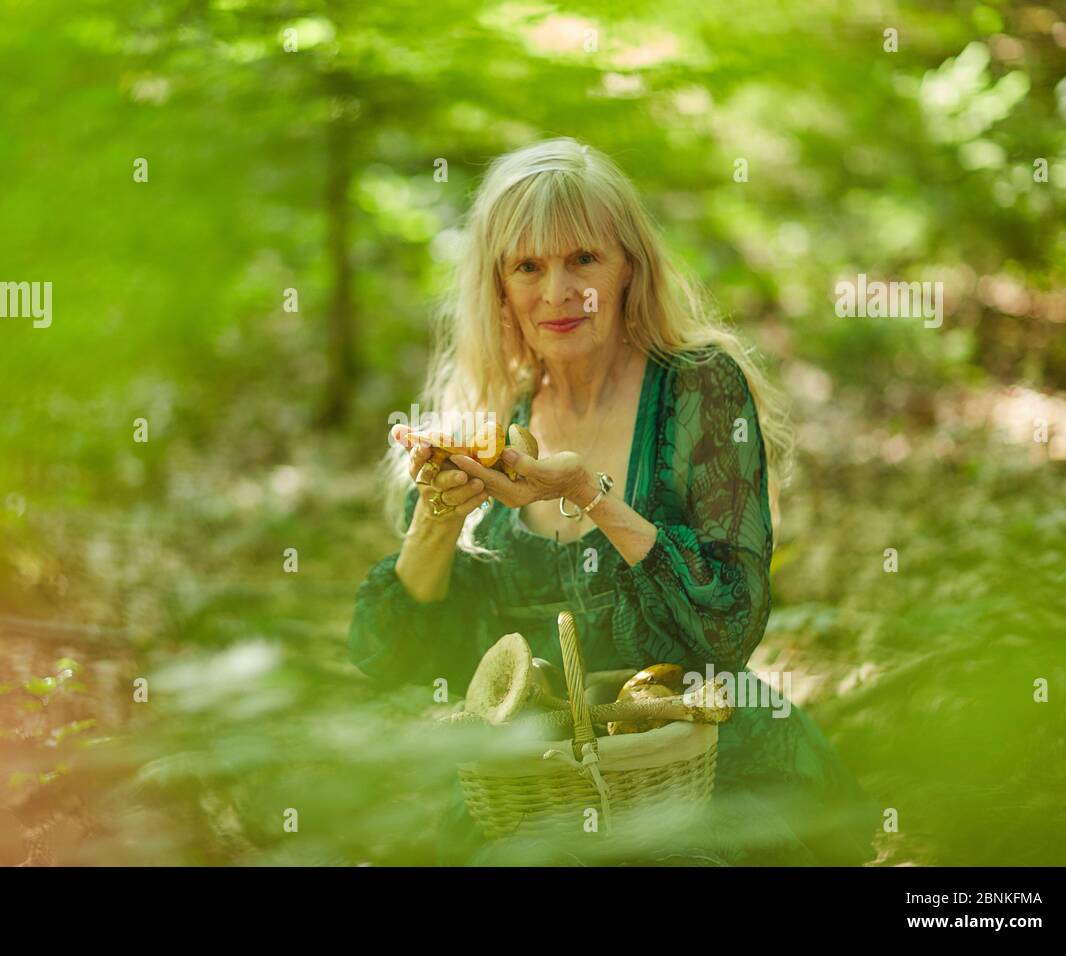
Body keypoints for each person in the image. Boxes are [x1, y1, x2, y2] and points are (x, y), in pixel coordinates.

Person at [349, 137, 880, 866]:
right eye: (528, 265)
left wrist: (586, 494)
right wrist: (440, 520)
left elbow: (730, 624)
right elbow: (395, 658)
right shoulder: (487, 417)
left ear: (630, 265)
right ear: (498, 286)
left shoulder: (698, 389)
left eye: (584, 260)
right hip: (532, 798)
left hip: (706, 774)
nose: (558, 291)